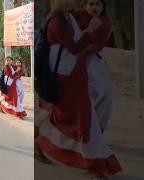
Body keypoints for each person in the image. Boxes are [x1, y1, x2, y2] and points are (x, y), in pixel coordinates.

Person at [36, 0, 122, 179]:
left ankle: (94, 164)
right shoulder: (57, 21)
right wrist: (90, 30)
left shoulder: (68, 18)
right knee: (79, 120)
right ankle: (94, 165)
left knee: (79, 120)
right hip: (65, 78)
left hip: (74, 75)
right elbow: (74, 47)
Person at [73, 0, 113, 134]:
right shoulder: (77, 18)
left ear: (103, 7)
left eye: (98, 4)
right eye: (91, 4)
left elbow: (100, 42)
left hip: (93, 60)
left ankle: (96, 127)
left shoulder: (105, 21)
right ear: (85, 6)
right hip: (77, 60)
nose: (94, 7)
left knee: (104, 94)